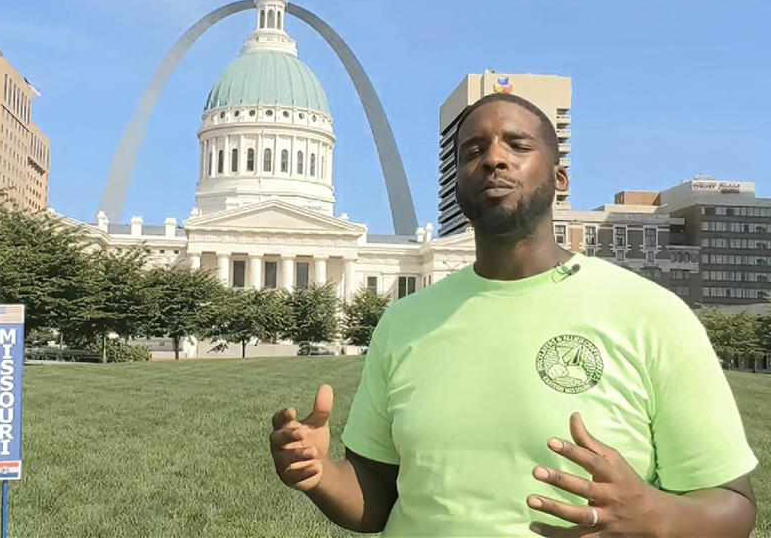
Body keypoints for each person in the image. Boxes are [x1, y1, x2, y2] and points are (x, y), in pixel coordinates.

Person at [269, 93, 759, 536]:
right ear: (458, 181)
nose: (494, 159)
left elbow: (733, 505)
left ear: (559, 178)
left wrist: (654, 516)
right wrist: (318, 474)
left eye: (517, 145)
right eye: (473, 151)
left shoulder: (651, 314)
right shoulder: (405, 322)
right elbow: (375, 498)